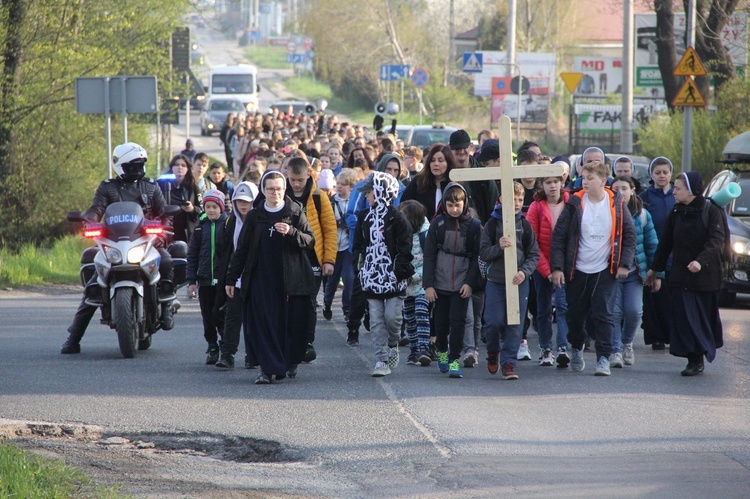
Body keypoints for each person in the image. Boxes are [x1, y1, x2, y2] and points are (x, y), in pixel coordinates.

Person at [61, 142, 174, 354]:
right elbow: (96, 209)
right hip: (114, 242)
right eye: (132, 165)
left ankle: (166, 305)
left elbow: (164, 213)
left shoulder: (151, 186)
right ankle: (73, 338)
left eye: (140, 164)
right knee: (93, 287)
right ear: (120, 166)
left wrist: (163, 228)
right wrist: (89, 222)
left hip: (145, 240)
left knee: (167, 260)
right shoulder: (107, 187)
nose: (137, 169)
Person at [225, 171, 316, 384]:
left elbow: (310, 241)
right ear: (263, 191)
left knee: (290, 324)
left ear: (285, 190)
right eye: (270, 189)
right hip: (261, 279)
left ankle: (290, 360)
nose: (275, 193)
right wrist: (231, 278)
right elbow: (242, 250)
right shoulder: (256, 216)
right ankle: (266, 370)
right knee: (263, 324)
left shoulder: (294, 212)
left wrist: (292, 232)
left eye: (279, 189)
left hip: (291, 281)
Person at [550, 159, 636, 376]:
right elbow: (559, 237)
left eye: (590, 178)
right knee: (575, 315)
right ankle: (577, 346)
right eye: (583, 178)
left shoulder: (616, 203)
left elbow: (629, 235)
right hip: (577, 270)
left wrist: (624, 263)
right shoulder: (574, 204)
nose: (584, 182)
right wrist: (558, 268)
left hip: (605, 271)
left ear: (603, 181)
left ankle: (603, 358)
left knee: (604, 314)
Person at [646, 172, 724, 376]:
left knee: (701, 320)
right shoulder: (676, 211)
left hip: (705, 277)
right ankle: (694, 359)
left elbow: (716, 241)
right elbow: (665, 243)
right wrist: (655, 269)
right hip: (681, 275)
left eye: (678, 188)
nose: (674, 192)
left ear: (691, 190)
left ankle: (700, 353)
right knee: (685, 319)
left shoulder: (711, 211)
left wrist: (700, 261)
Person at [352, 172, 414, 377]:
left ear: (380, 192)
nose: (366, 196)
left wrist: (398, 272)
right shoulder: (363, 216)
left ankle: (393, 343)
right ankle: (381, 360)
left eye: (369, 192)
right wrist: (359, 267)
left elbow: (405, 248)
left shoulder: (397, 218)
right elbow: (359, 245)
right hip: (371, 276)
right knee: (376, 320)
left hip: (393, 278)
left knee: (392, 318)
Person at [422, 182, 482, 379]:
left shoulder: (473, 226)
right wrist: (428, 285)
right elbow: (429, 256)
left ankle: (454, 359)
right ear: (444, 205)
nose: (454, 209)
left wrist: (470, 283)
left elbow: (477, 258)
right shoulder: (437, 224)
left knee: (458, 322)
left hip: (462, 283)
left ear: (464, 204)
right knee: (441, 322)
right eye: (449, 205)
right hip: (439, 283)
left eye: (457, 205)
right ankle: (441, 350)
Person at [480, 182, 540, 379]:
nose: (516, 203)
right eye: (512, 199)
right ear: (501, 200)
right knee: (493, 322)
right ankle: (492, 353)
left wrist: (524, 272)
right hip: (496, 280)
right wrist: (498, 247)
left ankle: (508, 363)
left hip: (518, 281)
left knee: (515, 324)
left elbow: (533, 254)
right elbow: (483, 253)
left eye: (520, 200)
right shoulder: (491, 224)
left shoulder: (524, 224)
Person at [286, 156, 337, 362]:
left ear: (309, 174)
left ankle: (307, 342)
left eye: (300, 179)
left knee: (309, 301)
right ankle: (289, 339)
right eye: (293, 179)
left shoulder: (318, 196)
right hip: (289, 257)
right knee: (289, 300)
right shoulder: (282, 194)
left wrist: (329, 260)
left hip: (313, 257)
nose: (297, 184)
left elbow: (329, 228)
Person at [610, 176, 661, 368]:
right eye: (615, 188)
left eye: (624, 188)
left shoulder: (642, 215)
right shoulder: (607, 211)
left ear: (632, 190)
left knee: (634, 311)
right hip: (612, 272)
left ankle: (626, 343)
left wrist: (656, 273)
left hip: (635, 273)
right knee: (614, 313)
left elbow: (652, 245)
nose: (620, 192)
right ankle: (615, 350)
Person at [526, 174, 571, 368]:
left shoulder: (572, 204)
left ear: (561, 183)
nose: (553, 186)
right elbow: (531, 242)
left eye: (556, 182)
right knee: (543, 308)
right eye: (548, 182)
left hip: (564, 265)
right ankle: (545, 348)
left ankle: (563, 347)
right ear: (541, 185)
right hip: (541, 264)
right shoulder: (536, 207)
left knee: (562, 306)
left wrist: (560, 268)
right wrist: (547, 271)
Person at [214, 181, 260, 369]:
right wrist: (227, 278)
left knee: (254, 318)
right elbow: (225, 250)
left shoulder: (260, 220)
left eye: (247, 201)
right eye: (239, 200)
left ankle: (253, 355)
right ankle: (227, 354)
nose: (243, 205)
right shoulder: (230, 222)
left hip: (256, 278)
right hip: (235, 277)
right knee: (232, 316)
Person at [187, 190, 229, 365]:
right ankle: (212, 346)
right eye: (207, 207)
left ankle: (226, 344)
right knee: (208, 316)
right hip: (205, 280)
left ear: (221, 207)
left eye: (214, 207)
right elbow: (192, 255)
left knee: (221, 314)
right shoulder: (199, 227)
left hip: (223, 281)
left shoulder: (227, 225)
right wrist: (192, 281)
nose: (211, 210)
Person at [639, 157, 676, 350]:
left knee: (673, 299)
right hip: (653, 254)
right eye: (658, 173)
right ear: (651, 175)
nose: (662, 176)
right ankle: (657, 337)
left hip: (675, 256)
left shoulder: (677, 196)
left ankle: (674, 334)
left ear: (670, 174)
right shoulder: (644, 197)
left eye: (665, 172)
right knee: (655, 297)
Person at [399, 200, 432, 366]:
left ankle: (424, 348)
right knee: (409, 318)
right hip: (406, 285)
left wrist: (416, 276)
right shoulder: (401, 235)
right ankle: (413, 350)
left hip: (422, 283)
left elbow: (430, 260)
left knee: (421, 312)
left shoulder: (426, 235)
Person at [323, 169, 358, 322]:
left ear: (351, 187)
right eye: (338, 184)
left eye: (344, 185)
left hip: (347, 247)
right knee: (332, 279)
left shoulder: (354, 203)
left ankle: (347, 308)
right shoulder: (331, 202)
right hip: (333, 246)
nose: (340, 187)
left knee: (348, 279)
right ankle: (327, 302)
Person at [401, 143, 454, 221]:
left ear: (448, 163)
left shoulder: (454, 185)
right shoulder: (418, 181)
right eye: (432, 160)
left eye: (440, 160)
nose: (436, 164)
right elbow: (404, 206)